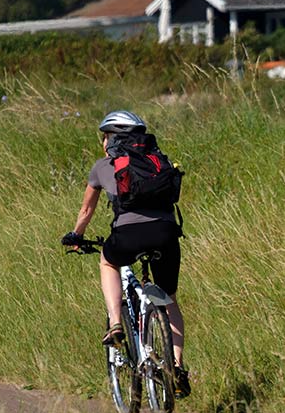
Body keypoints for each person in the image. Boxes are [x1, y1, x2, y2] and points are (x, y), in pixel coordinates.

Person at [63, 109, 190, 398]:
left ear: (111, 139)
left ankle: (116, 323)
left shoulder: (102, 166)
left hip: (128, 236)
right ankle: (177, 366)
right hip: (166, 233)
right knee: (169, 301)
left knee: (108, 260)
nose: (103, 143)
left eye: (104, 137)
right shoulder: (159, 160)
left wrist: (76, 236)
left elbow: (86, 210)